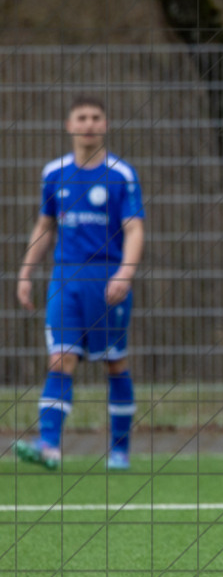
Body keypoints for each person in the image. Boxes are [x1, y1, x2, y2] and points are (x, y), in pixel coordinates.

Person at [14, 96, 144, 471]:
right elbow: (45, 226)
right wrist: (26, 272)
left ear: (105, 124)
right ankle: (48, 446)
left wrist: (125, 273)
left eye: (95, 117)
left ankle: (119, 450)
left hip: (106, 279)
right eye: (81, 118)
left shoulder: (121, 174)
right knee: (60, 358)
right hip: (64, 278)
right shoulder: (54, 173)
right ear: (69, 125)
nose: (88, 124)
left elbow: (134, 228)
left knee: (114, 362)